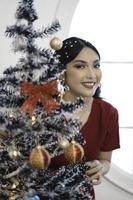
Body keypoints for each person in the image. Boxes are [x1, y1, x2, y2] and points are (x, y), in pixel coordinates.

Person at [50, 36, 120, 187]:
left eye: (96, 65)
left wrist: (100, 167)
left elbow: (105, 160)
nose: (92, 74)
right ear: (61, 71)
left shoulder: (108, 113)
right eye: (80, 66)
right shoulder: (40, 110)